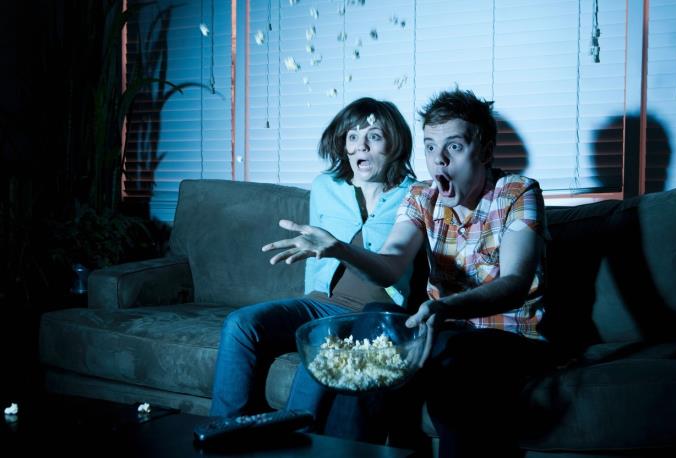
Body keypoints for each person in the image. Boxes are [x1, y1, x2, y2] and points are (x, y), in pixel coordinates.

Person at [262, 87, 558, 457]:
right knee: (373, 319)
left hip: (511, 337)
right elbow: (390, 264)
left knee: (455, 357)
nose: (439, 161)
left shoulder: (517, 192)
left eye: (454, 147)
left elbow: (515, 282)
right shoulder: (422, 196)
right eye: (431, 147)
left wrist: (446, 308)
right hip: (441, 331)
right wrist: (339, 248)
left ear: (484, 151)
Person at [209, 97, 418, 423]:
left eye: (374, 137)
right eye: (352, 137)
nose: (361, 145)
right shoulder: (325, 186)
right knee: (240, 324)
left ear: (395, 144)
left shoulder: (415, 195)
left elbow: (399, 266)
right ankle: (223, 432)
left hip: (372, 316)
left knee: (322, 343)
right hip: (319, 303)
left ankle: (294, 440)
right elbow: (314, 257)